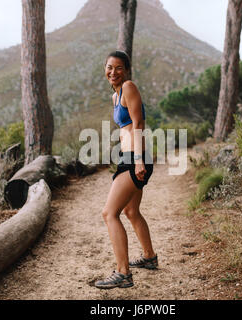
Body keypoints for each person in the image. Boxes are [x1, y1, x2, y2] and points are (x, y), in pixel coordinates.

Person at [94, 51, 158, 289]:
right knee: (131, 211)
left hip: (134, 158)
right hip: (128, 157)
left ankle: (123, 273)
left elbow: (139, 124)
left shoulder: (129, 87)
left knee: (109, 213)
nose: (113, 72)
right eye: (109, 67)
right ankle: (149, 257)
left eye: (119, 67)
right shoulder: (115, 96)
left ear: (127, 70)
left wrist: (139, 160)